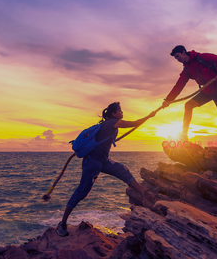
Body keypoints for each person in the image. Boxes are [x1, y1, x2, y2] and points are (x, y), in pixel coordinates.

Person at [56, 102, 157, 237]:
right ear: (113, 114)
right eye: (120, 111)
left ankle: (144, 194)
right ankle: (62, 223)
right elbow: (134, 123)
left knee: (123, 170)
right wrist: (149, 116)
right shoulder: (112, 123)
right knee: (81, 192)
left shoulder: (109, 125)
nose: (122, 113)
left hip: (103, 161)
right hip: (92, 163)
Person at [162, 45, 217, 153]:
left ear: (183, 52)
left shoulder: (201, 57)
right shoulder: (187, 69)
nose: (177, 59)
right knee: (188, 105)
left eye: (178, 56)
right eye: (175, 58)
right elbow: (179, 84)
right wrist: (169, 99)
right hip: (205, 92)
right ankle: (184, 137)